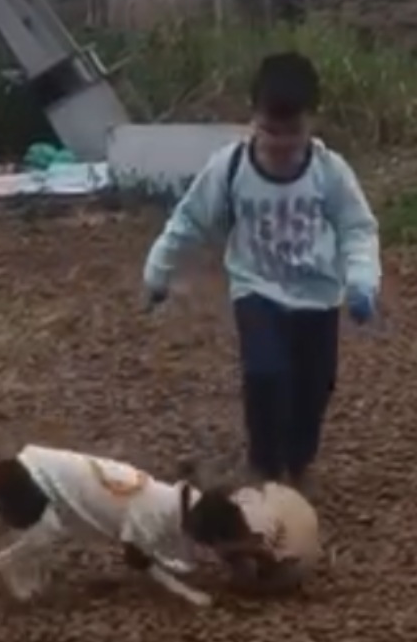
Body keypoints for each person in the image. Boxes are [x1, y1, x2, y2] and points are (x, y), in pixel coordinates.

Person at [142, 51, 382, 493]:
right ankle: (265, 465)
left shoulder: (329, 172)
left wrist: (363, 281)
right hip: (258, 289)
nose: (281, 143)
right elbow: (189, 220)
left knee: (315, 386)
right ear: (253, 118)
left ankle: (299, 461)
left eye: (293, 132)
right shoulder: (230, 168)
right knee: (265, 373)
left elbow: (356, 228)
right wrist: (158, 270)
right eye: (271, 131)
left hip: (317, 296)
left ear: (312, 121)